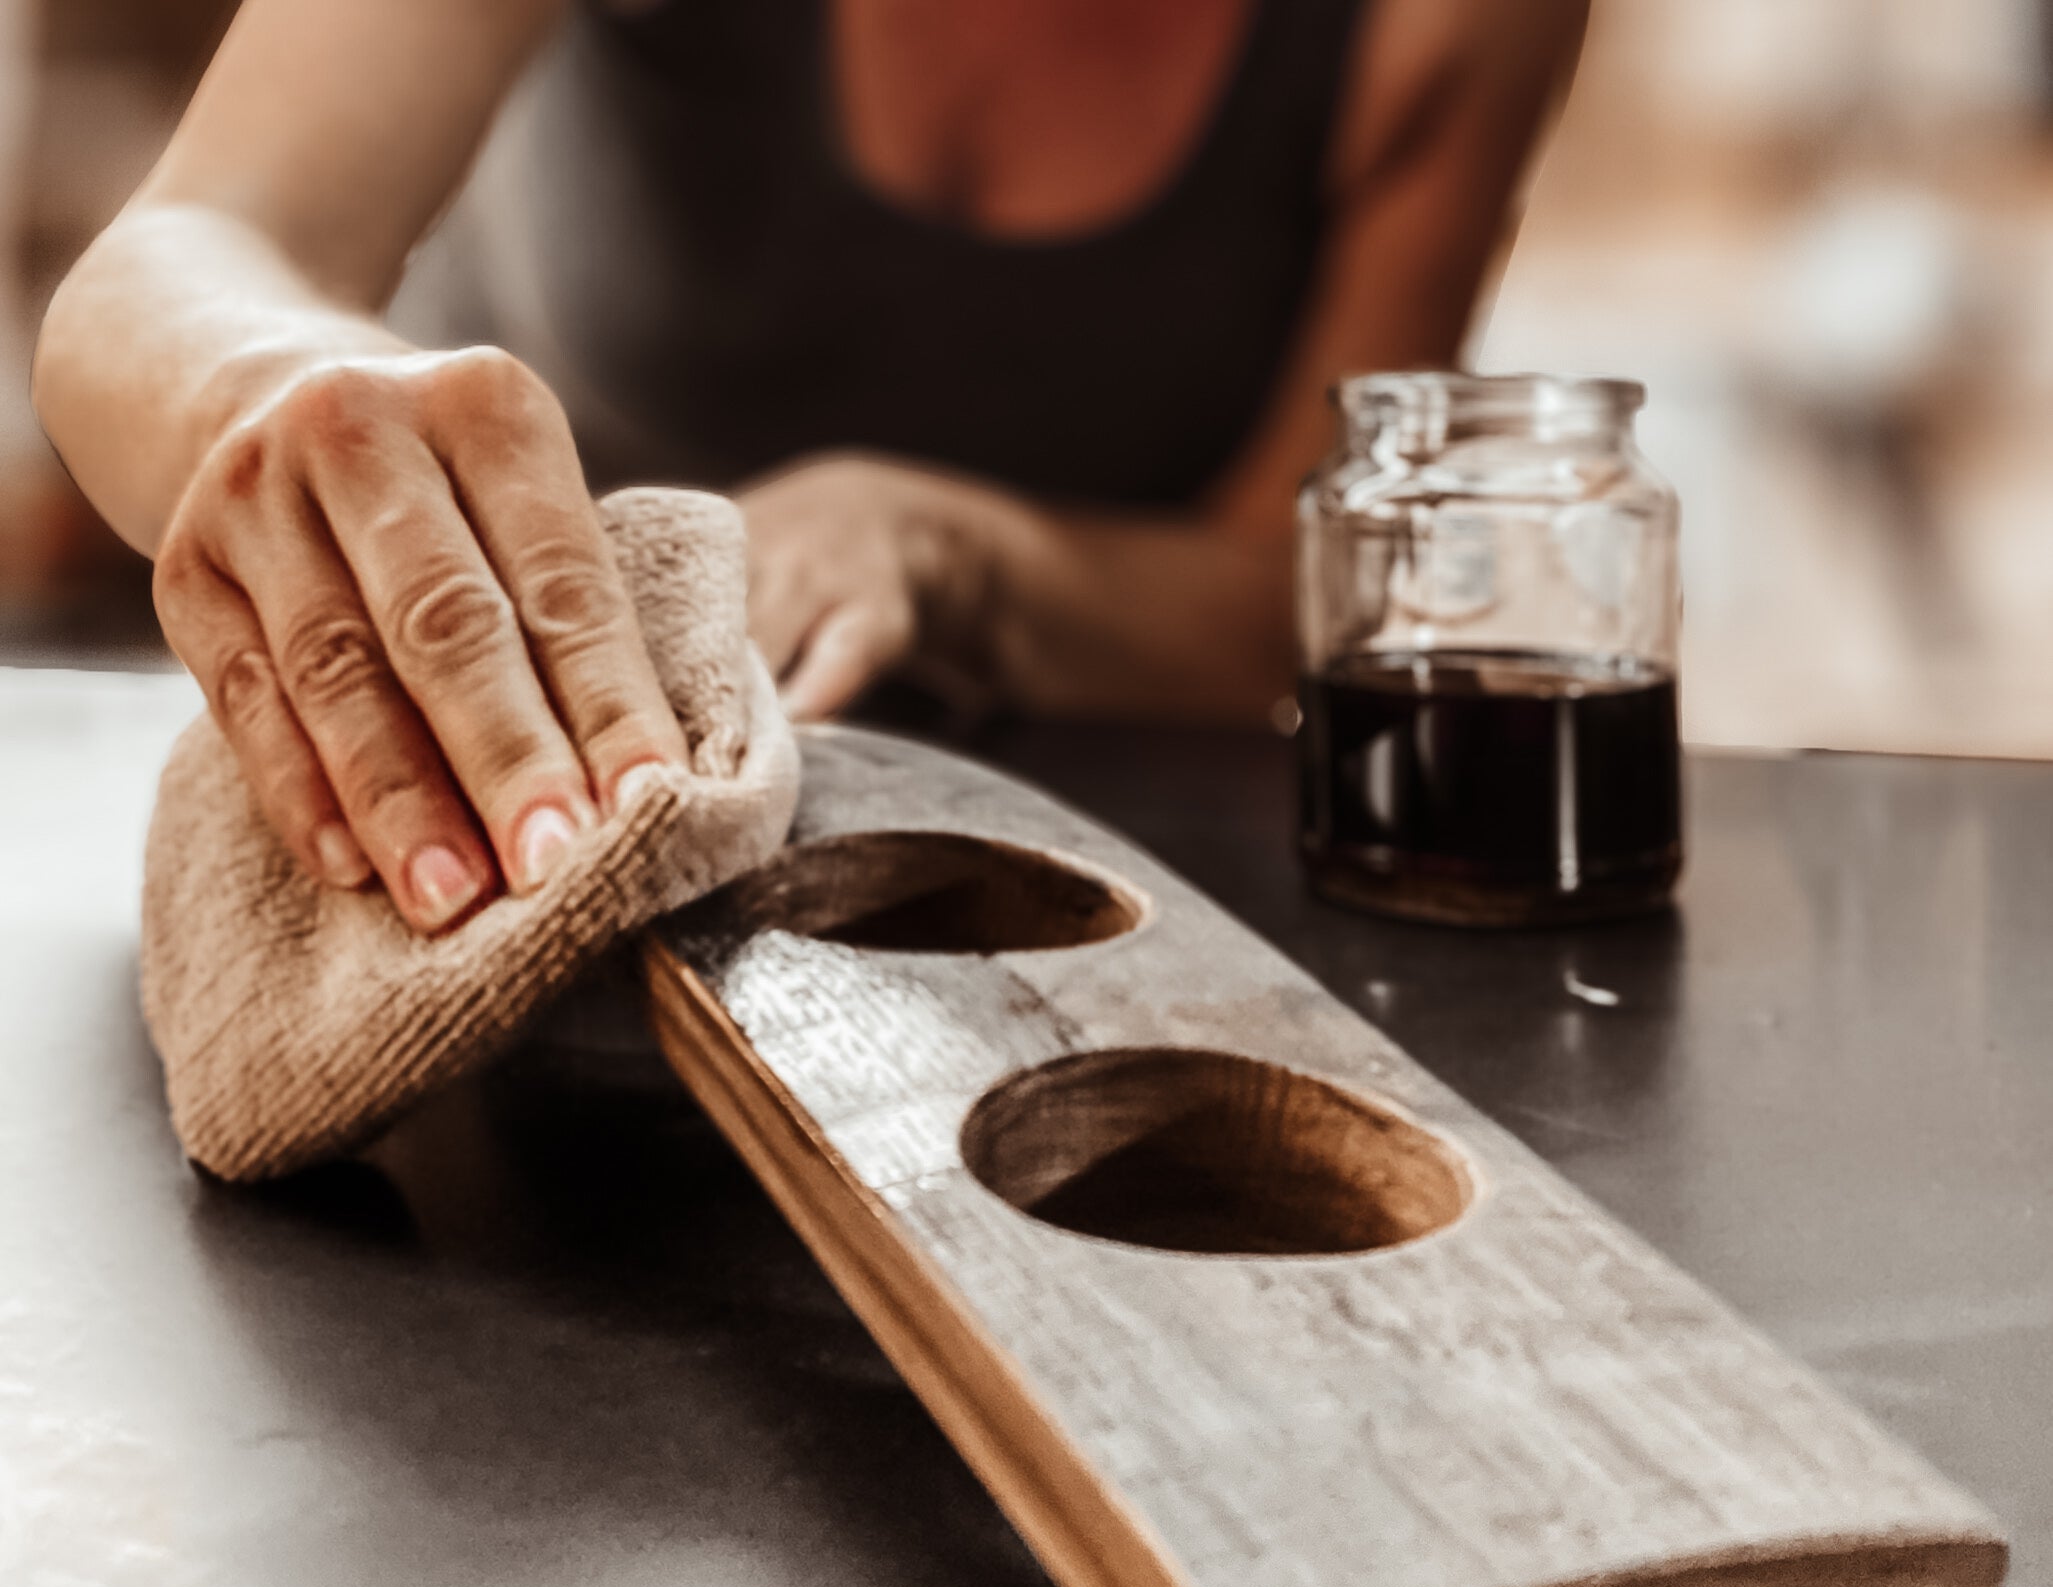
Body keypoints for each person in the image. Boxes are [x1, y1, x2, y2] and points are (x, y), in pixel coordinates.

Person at [33, 0, 1587, 934]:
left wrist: (935, 548)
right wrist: (298, 401)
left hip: (1092, 901)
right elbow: (181, 255)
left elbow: (1288, 587)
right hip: (511, 831)